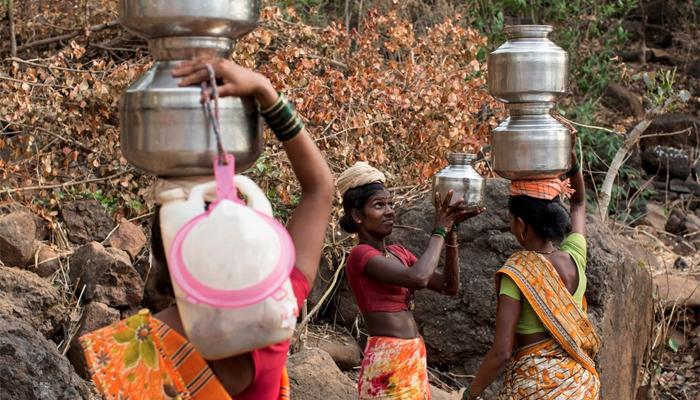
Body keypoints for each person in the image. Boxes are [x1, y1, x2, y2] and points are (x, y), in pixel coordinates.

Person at [80, 58, 334, 400]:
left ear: (165, 252)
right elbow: (320, 189)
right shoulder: (278, 307)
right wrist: (265, 92)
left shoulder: (141, 348)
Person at [337, 162, 483, 399]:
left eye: (390, 204)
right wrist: (439, 231)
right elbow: (419, 278)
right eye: (379, 205)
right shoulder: (360, 255)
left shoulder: (399, 253)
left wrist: (451, 232)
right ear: (357, 216)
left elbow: (449, 287)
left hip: (412, 358)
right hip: (387, 363)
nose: (389, 211)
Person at [464, 146, 601, 399]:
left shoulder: (517, 273)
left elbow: (501, 353)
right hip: (578, 386)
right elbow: (579, 203)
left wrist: (469, 394)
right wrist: (572, 164)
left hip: (535, 386)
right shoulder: (574, 256)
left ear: (520, 225)